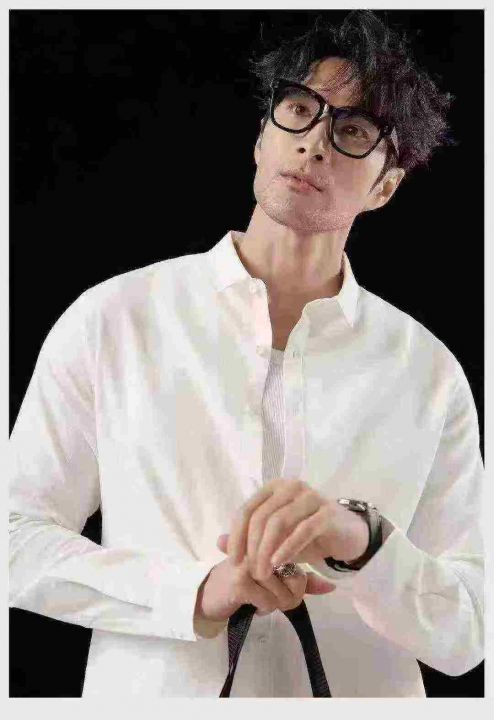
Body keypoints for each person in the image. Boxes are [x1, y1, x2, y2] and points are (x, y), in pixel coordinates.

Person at [9, 10, 484, 698]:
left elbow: (469, 632)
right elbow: (14, 537)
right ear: (263, 135)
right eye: (300, 110)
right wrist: (195, 592)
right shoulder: (113, 318)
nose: (314, 144)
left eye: (353, 131)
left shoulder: (429, 373)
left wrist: (364, 543)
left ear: (386, 186)